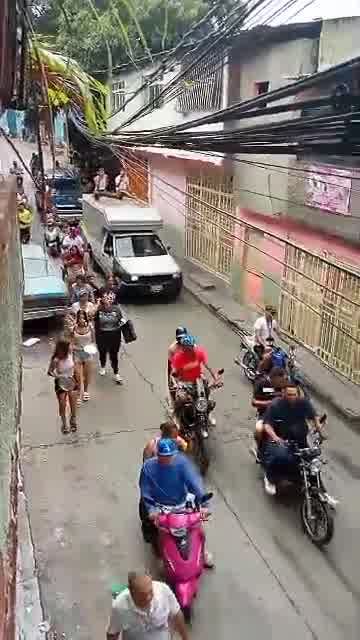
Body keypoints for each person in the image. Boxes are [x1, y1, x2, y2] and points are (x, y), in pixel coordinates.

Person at [139, 438, 213, 567]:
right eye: (163, 456)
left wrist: (204, 505)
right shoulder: (148, 467)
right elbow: (145, 490)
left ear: (174, 454)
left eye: (169, 456)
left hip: (182, 502)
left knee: (198, 528)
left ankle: (202, 552)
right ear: (157, 454)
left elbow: (195, 483)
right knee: (158, 534)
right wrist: (152, 510)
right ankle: (160, 556)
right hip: (160, 507)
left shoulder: (182, 463)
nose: (166, 459)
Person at [261, 384, 325, 496]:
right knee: (280, 457)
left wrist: (320, 431)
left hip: (299, 439)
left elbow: (314, 417)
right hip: (281, 440)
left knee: (312, 461)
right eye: (289, 394)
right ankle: (270, 478)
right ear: (283, 394)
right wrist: (276, 438)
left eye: (294, 394)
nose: (292, 397)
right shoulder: (275, 405)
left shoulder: (304, 403)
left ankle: (322, 491)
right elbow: (267, 425)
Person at [106, 570, 189, 640]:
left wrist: (185, 638)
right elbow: (113, 634)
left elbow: (177, 614)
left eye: (150, 591)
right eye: (143, 595)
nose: (148, 598)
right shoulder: (119, 606)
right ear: (131, 592)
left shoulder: (163, 590)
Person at [251, 367, 287, 459]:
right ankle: (260, 450)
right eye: (281, 380)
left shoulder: (283, 386)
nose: (283, 383)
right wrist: (269, 403)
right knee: (259, 429)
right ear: (274, 378)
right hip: (265, 414)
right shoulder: (261, 384)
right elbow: (254, 402)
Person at [47, 339, 79, 434]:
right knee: (62, 404)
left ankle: (73, 420)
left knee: (73, 403)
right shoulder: (56, 359)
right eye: (69, 345)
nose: (71, 347)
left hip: (72, 380)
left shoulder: (71, 354)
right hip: (61, 383)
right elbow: (50, 372)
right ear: (64, 348)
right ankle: (64, 423)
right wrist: (58, 376)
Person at [94, 292, 124, 383]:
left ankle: (116, 373)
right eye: (106, 298)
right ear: (102, 299)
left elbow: (121, 319)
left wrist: (123, 322)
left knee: (114, 354)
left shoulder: (116, 309)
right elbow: (91, 317)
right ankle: (103, 366)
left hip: (114, 335)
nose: (108, 299)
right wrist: (97, 305)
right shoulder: (99, 309)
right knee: (102, 352)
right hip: (102, 334)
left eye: (110, 298)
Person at [72, 310, 94, 403]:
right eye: (80, 317)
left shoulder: (90, 327)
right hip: (77, 354)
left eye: (83, 317)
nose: (82, 319)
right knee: (77, 376)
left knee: (86, 375)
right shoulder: (74, 328)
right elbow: (71, 341)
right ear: (77, 319)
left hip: (87, 354)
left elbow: (93, 340)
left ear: (86, 318)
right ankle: (78, 395)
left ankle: (85, 392)